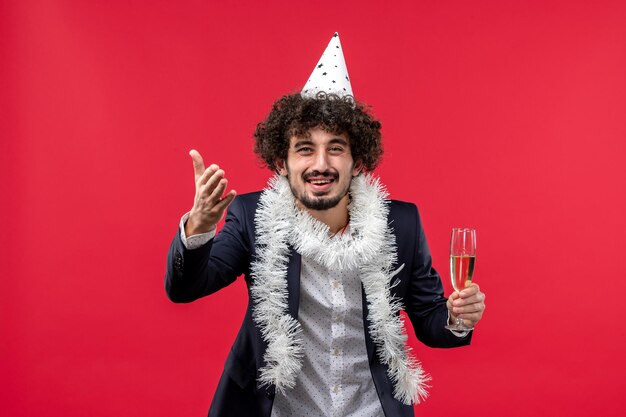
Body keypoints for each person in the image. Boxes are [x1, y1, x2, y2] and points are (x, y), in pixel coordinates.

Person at [165, 33, 485, 417]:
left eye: (335, 148)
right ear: (282, 163)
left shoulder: (400, 223)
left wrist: (456, 316)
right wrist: (198, 228)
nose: (321, 164)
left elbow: (431, 320)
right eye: (304, 148)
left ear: (356, 161)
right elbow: (185, 289)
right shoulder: (253, 217)